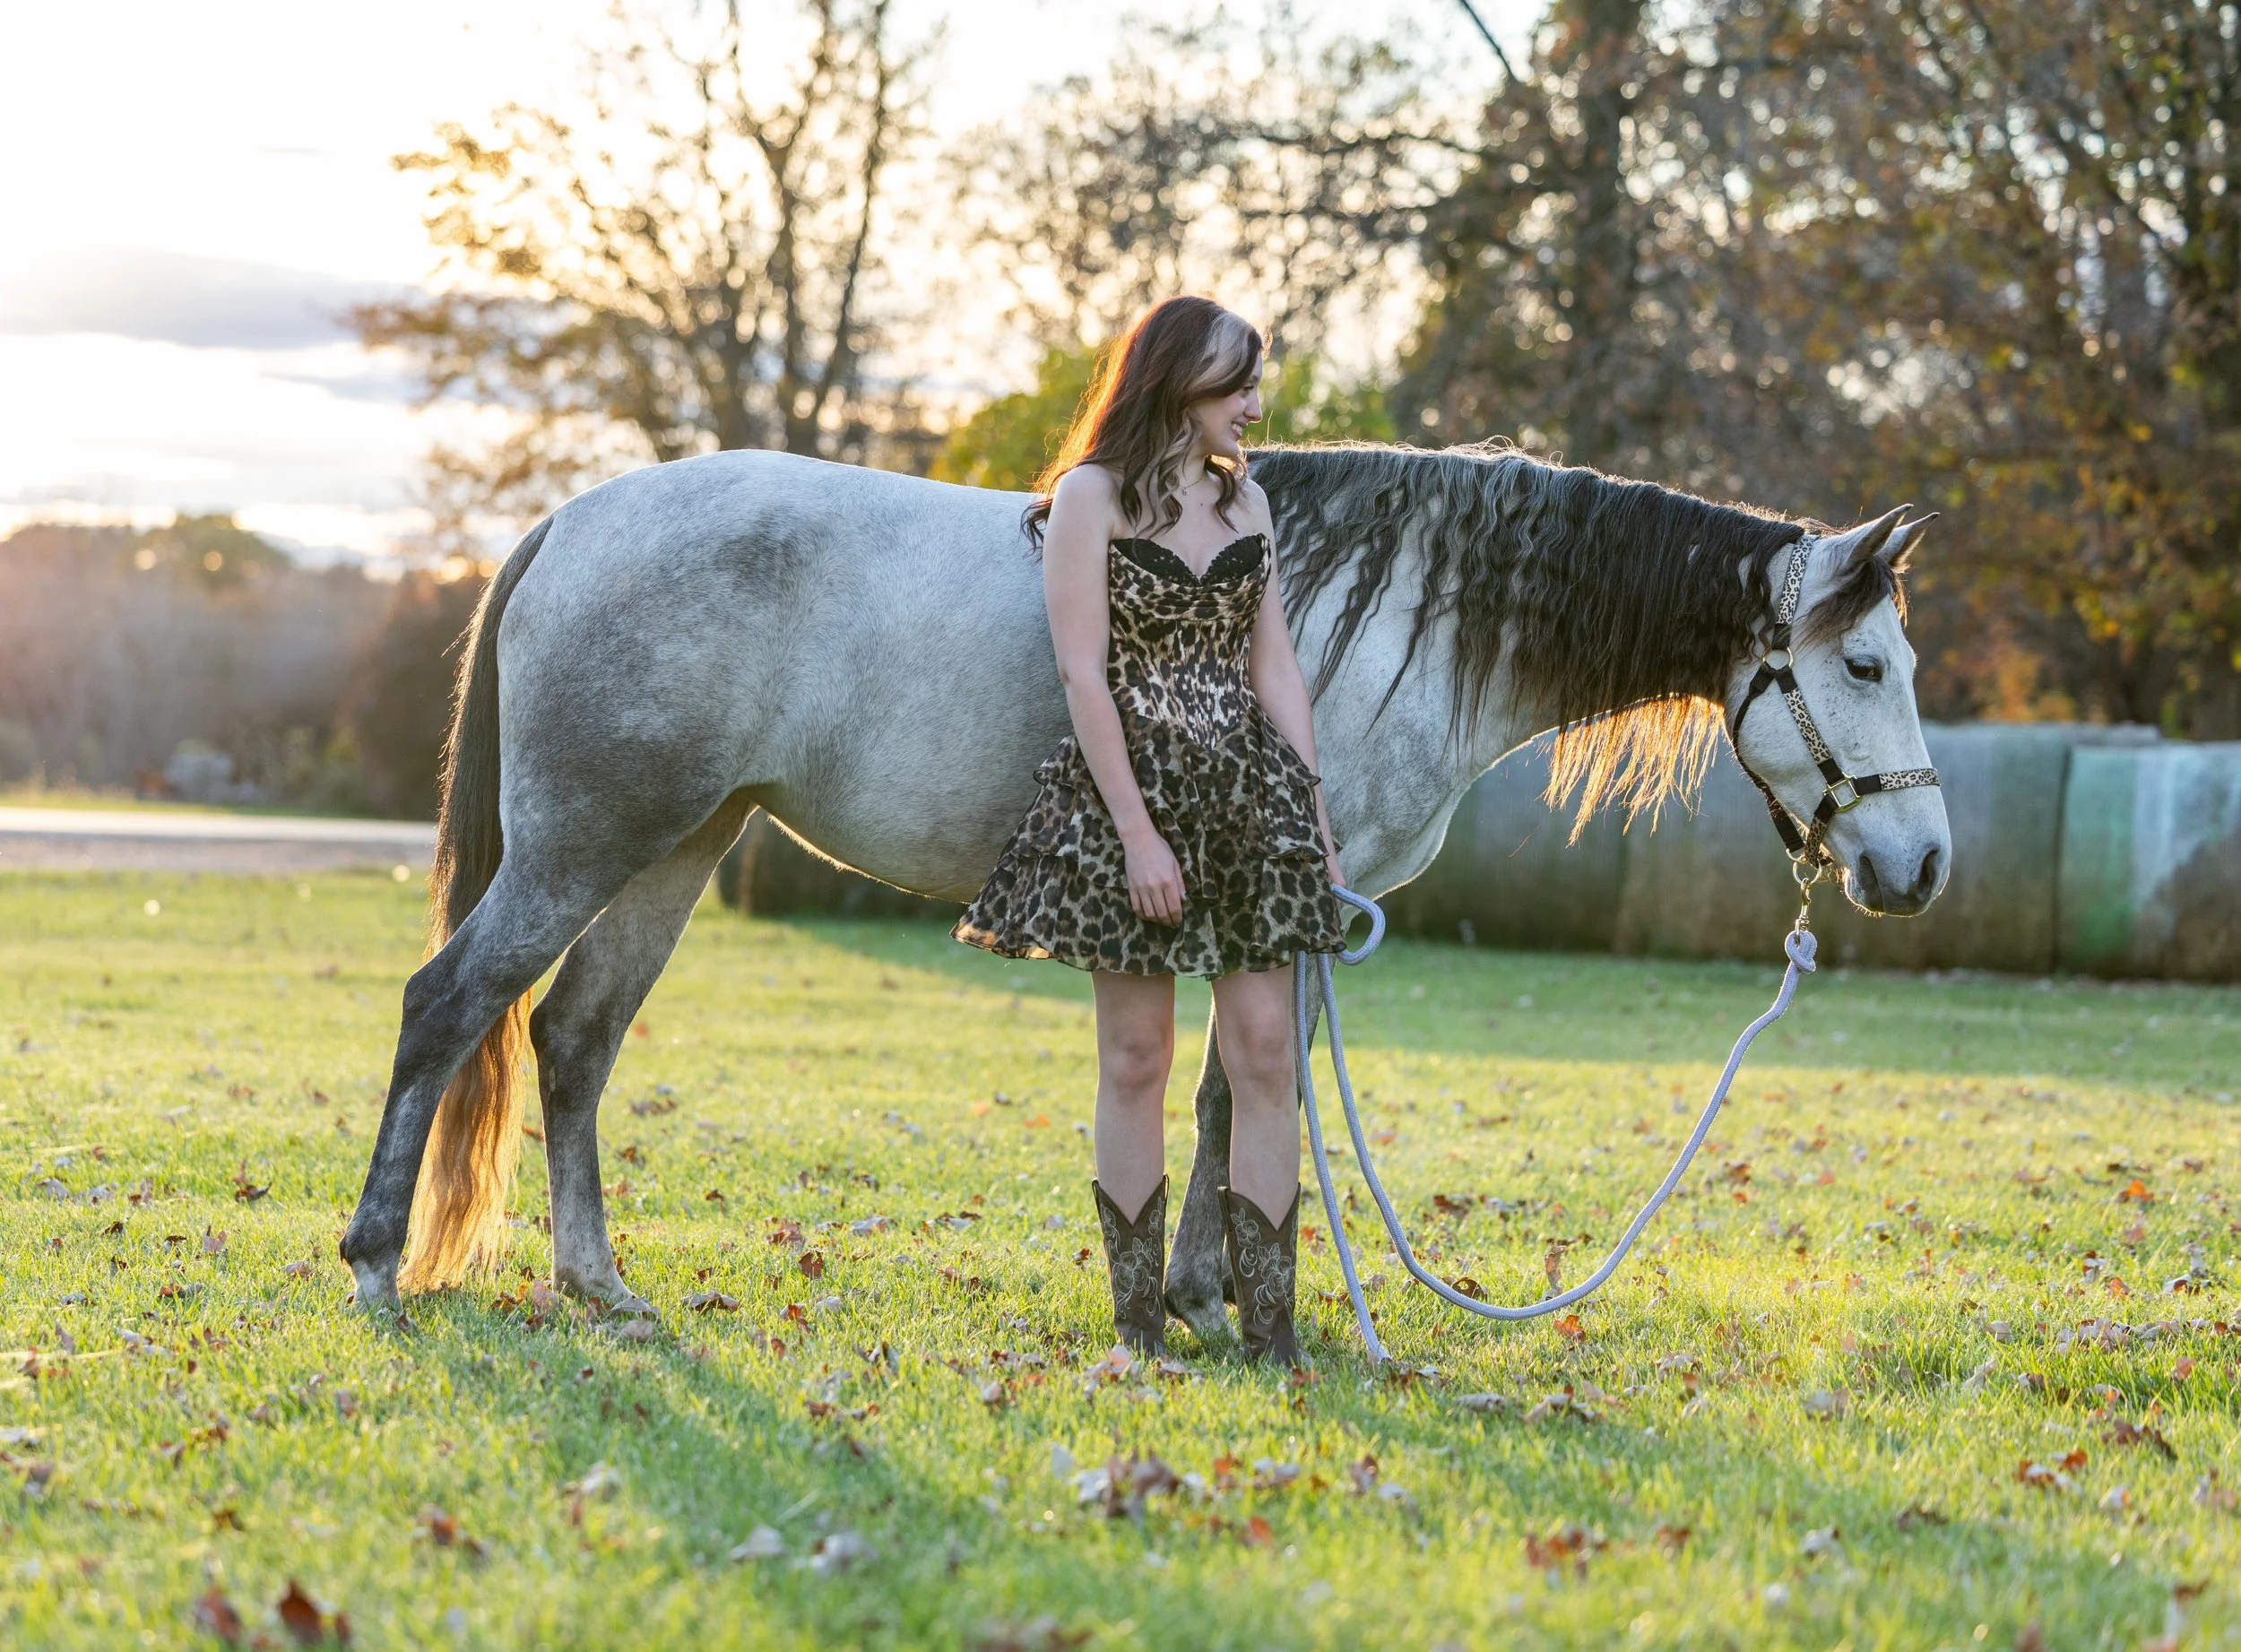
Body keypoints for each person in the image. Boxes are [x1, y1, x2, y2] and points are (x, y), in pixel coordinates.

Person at [953, 296, 1346, 1363]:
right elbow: (1082, 673)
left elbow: (1273, 666)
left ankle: (1271, 1330)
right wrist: (1136, 836)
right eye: (1237, 385)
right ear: (1176, 380)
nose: (1254, 407)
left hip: (1247, 800)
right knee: (1136, 1057)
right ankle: (1137, 1328)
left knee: (1266, 1052)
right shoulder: (1090, 495)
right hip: (1129, 796)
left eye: (1254, 385)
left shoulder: (1246, 501)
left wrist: (1311, 811)